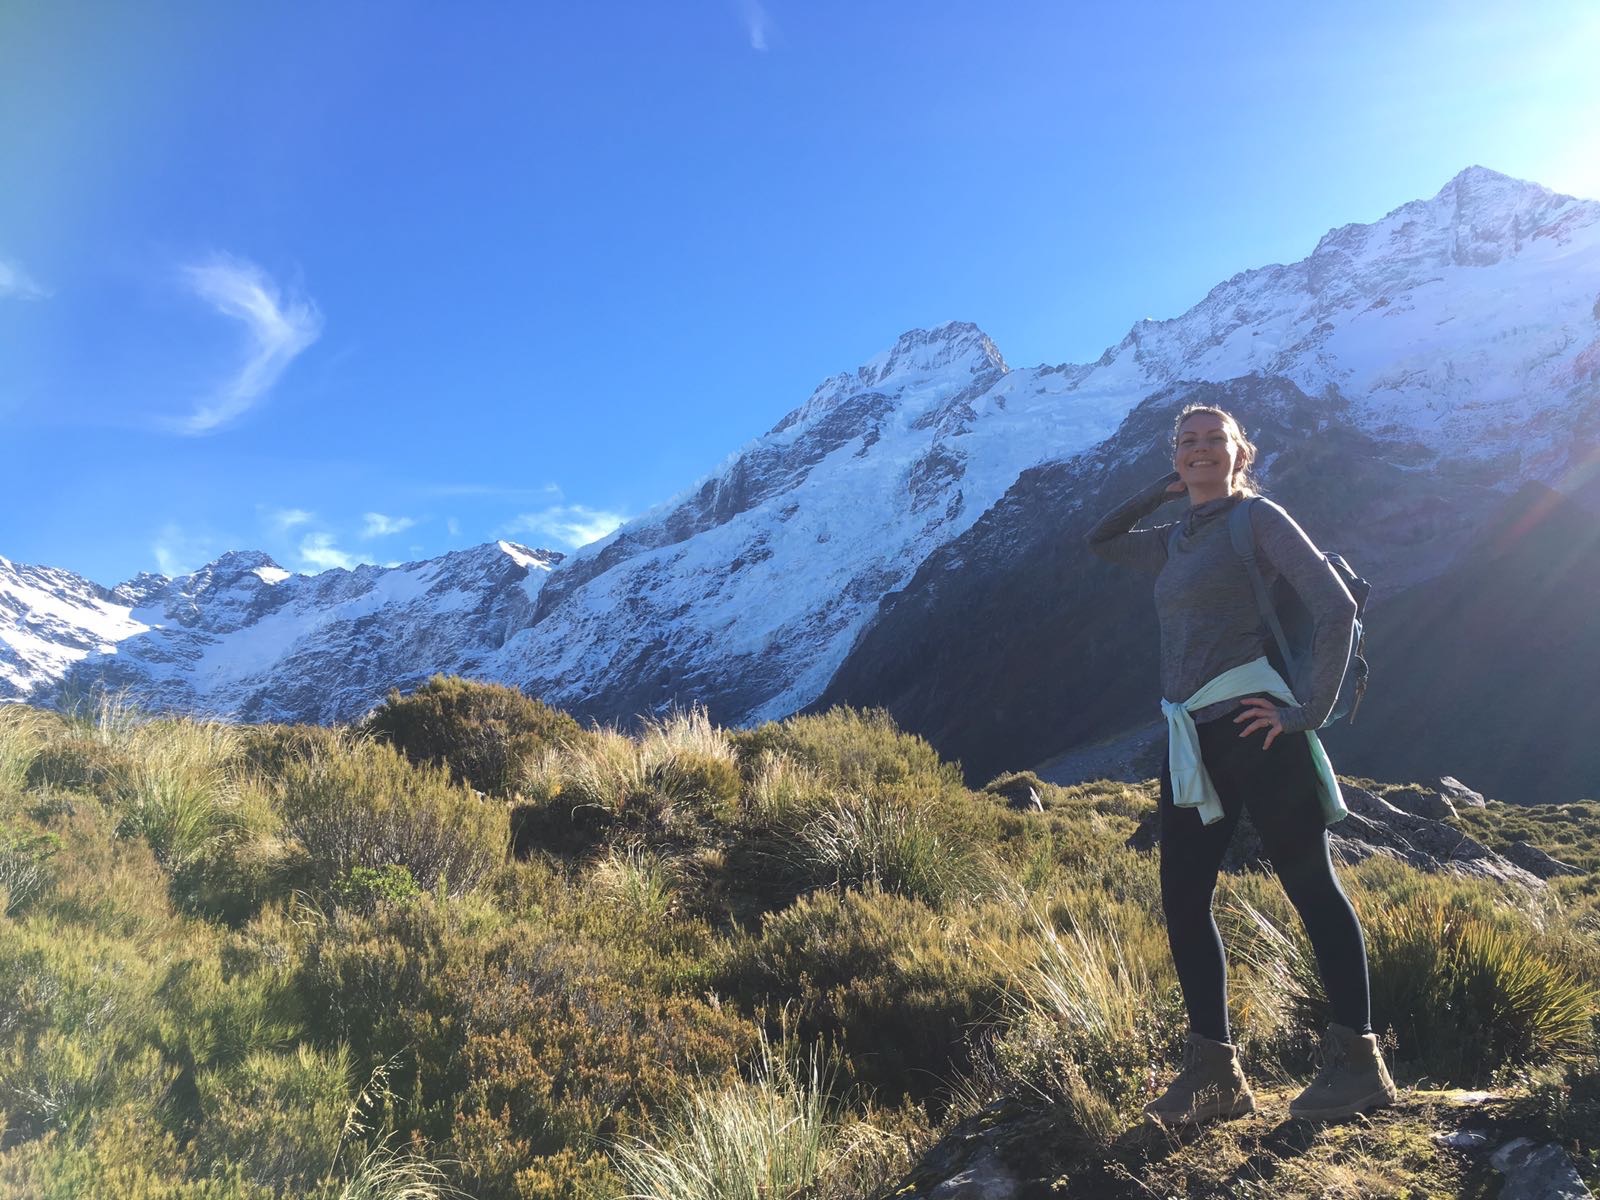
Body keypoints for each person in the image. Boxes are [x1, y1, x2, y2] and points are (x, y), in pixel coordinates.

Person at [1085, 403, 1398, 1126]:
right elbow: (1100, 541)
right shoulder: (1173, 540)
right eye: (1186, 442)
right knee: (1183, 898)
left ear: (1241, 453)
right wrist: (1161, 491)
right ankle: (1215, 1077)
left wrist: (1305, 714)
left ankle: (1360, 1067)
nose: (1200, 449)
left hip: (1257, 731)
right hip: (1192, 734)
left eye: (1214, 440)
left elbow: (1335, 608)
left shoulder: (1258, 520)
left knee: (1310, 886)